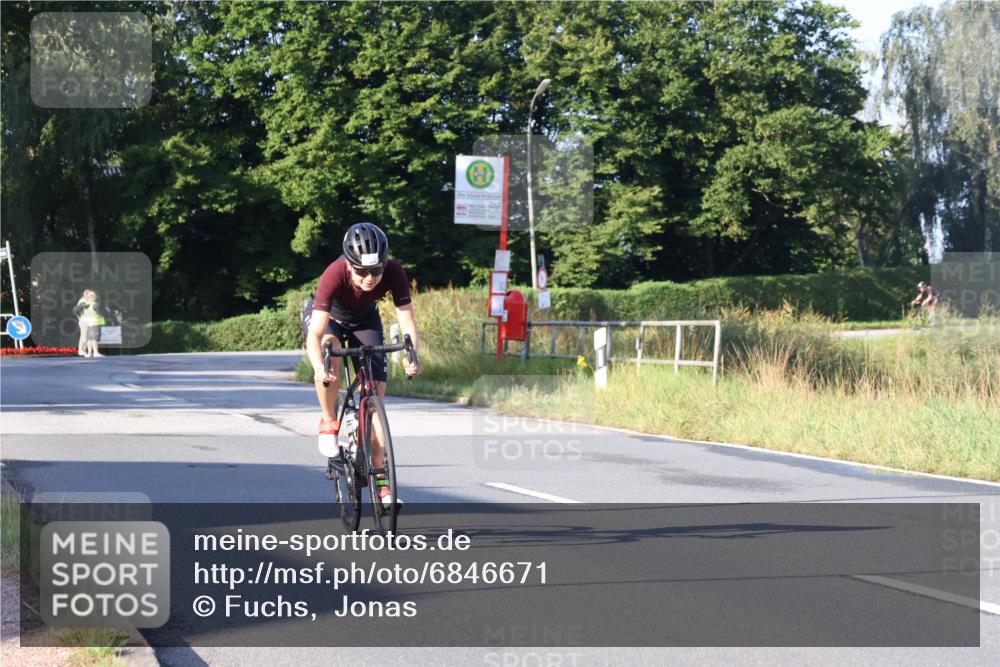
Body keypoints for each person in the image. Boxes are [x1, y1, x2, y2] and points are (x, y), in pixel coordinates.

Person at [305, 223, 423, 505]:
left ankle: (382, 483)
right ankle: (329, 420)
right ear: (349, 264)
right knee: (329, 352)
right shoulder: (334, 274)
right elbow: (315, 334)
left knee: (374, 398)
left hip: (365, 320)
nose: (370, 278)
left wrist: (412, 355)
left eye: (376, 270)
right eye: (361, 271)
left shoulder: (394, 271)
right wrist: (318, 366)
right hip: (330, 320)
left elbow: (407, 320)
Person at [73, 289, 109, 358]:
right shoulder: (88, 303)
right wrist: (106, 310)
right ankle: (94, 352)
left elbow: (76, 311)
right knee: (93, 338)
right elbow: (103, 312)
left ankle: (89, 352)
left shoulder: (86, 303)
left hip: (87, 322)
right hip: (93, 323)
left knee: (89, 338)